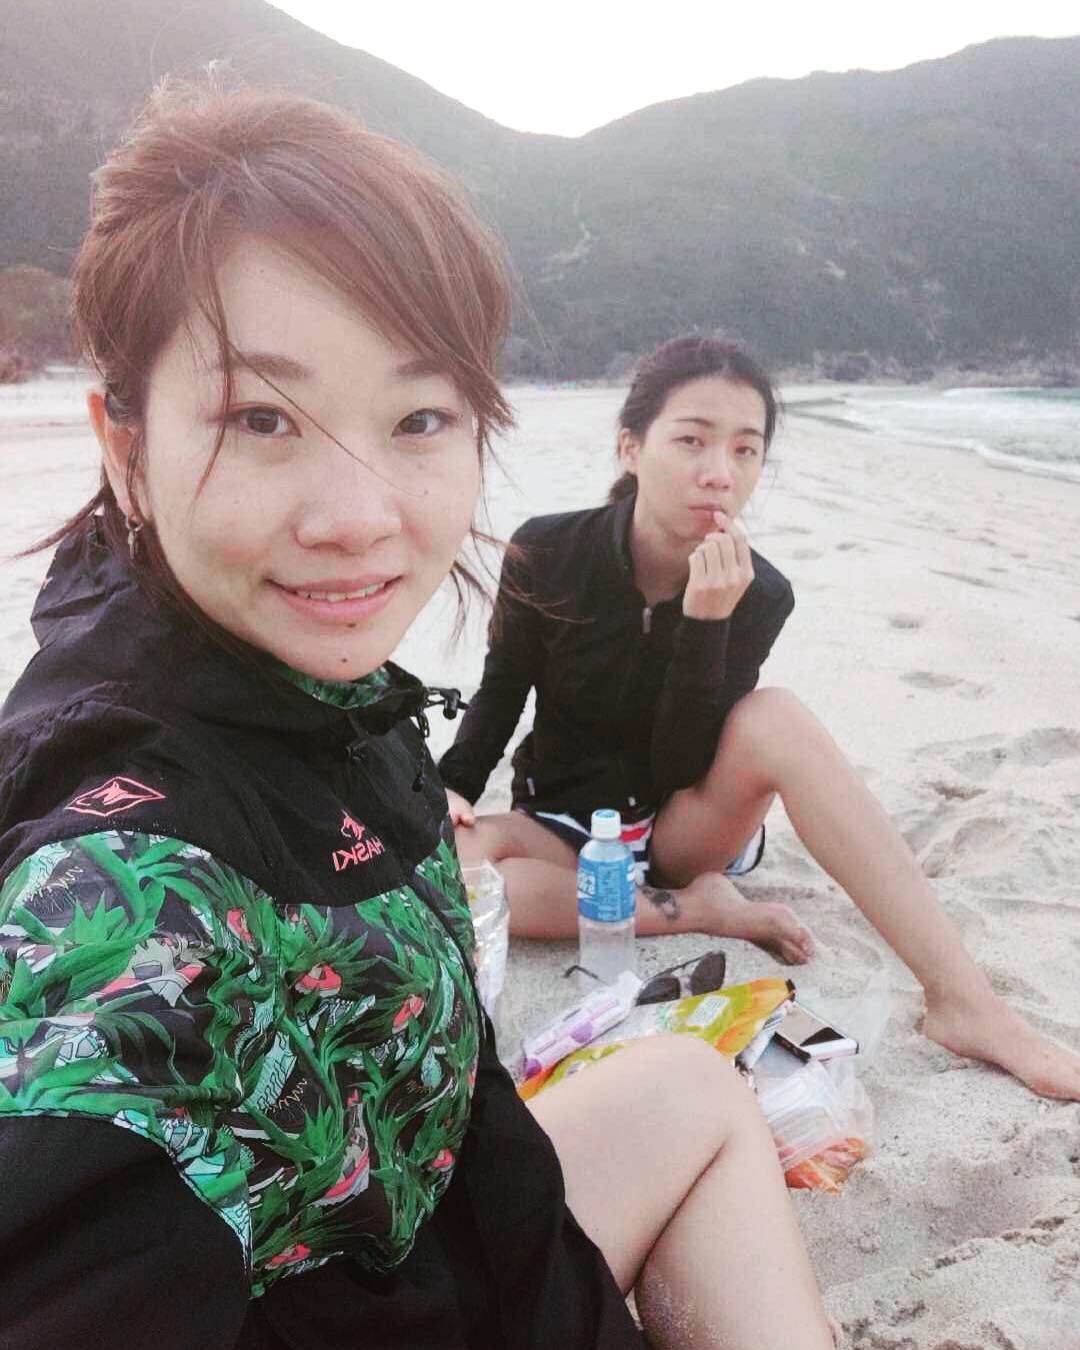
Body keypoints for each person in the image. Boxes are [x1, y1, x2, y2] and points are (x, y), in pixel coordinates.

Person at [0, 79, 838, 1350]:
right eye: (261, 418)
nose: (359, 517)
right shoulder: (115, 892)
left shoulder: (314, 682)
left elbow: (663, 761)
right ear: (126, 444)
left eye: (419, 417)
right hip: (398, 1299)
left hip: (444, 1229)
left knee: (686, 1079)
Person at [441, 335, 1080, 1104]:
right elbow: (501, 688)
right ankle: (693, 913)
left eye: (746, 450)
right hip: (564, 822)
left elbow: (681, 765)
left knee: (774, 715)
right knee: (453, 855)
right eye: (693, 440)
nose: (721, 471)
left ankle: (965, 1002)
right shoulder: (547, 550)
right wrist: (454, 786)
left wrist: (705, 623)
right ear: (631, 446)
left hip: (683, 827)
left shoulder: (761, 592)